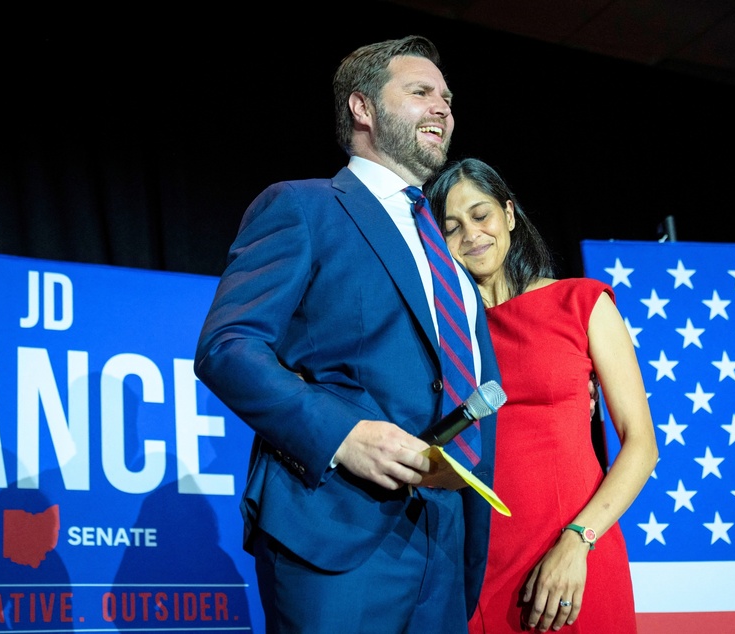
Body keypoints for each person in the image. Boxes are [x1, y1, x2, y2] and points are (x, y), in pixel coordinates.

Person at [193, 36, 504, 633]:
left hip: (443, 542)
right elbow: (226, 346)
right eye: (420, 92)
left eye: (447, 97)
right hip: (334, 530)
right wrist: (344, 434)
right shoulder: (304, 208)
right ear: (363, 108)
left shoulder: (448, 250)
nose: (443, 107)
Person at [426, 158, 660, 633]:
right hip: (477, 562)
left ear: (509, 215)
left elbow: (642, 444)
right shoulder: (444, 335)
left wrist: (578, 540)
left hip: (576, 555)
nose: (471, 234)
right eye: (451, 227)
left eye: (480, 214)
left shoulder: (582, 302)